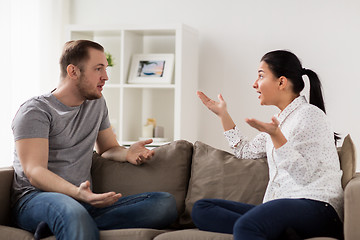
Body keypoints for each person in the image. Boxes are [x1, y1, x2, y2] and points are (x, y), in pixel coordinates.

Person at [11, 40, 178, 240]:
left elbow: (107, 148)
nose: (105, 77)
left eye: (105, 69)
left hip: (84, 202)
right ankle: (67, 220)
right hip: (36, 198)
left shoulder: (96, 104)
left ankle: (57, 226)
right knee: (71, 211)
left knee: (164, 203)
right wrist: (77, 193)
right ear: (73, 71)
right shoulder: (36, 111)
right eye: (98, 69)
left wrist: (126, 152)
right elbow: (34, 172)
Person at [192, 50, 343, 240]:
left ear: (281, 82)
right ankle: (278, 232)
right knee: (202, 209)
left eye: (261, 76)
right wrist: (223, 114)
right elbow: (244, 151)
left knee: (247, 226)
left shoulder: (310, 115)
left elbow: (303, 176)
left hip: (318, 207)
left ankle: (260, 228)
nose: (254, 84)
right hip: (284, 206)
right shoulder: (279, 121)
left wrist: (276, 135)